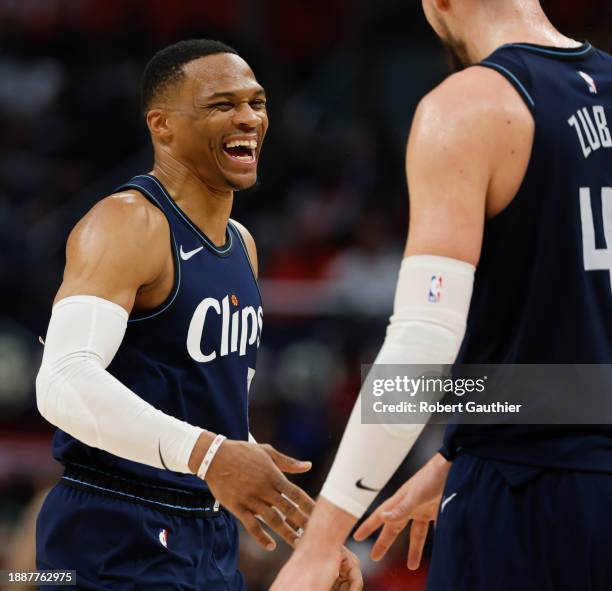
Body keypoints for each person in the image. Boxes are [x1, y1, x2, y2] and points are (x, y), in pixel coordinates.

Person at [272, 0, 612, 589]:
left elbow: (422, 342)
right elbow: (586, 364)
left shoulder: (467, 106)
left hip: (529, 496)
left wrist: (322, 540)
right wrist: (457, 446)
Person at [35, 39, 361, 590]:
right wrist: (210, 455)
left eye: (257, 103)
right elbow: (62, 381)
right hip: (114, 531)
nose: (248, 117)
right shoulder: (127, 223)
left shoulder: (242, 246)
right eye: (221, 104)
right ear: (161, 125)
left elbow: (202, 412)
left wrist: (306, 538)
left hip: (206, 537)